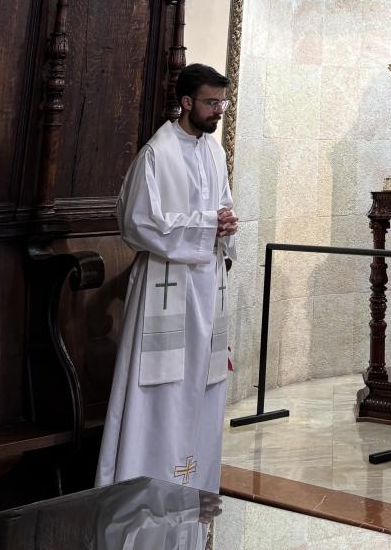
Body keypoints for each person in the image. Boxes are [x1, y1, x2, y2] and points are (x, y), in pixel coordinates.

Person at [96, 64, 238, 492]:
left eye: (223, 103)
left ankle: (193, 480)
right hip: (165, 285)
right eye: (212, 103)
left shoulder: (215, 152)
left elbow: (222, 208)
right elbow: (136, 223)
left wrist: (226, 226)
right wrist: (204, 227)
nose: (219, 111)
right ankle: (144, 481)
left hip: (205, 288)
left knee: (199, 384)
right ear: (187, 102)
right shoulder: (156, 154)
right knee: (162, 388)